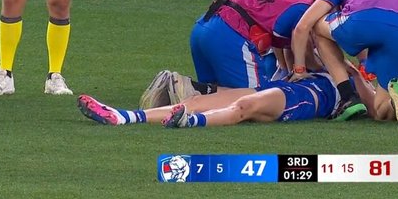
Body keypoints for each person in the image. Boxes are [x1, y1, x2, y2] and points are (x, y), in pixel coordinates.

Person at [138, 0, 316, 109]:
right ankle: (185, 88)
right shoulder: (305, 8)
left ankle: (187, 89)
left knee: (218, 95)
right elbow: (300, 39)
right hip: (231, 34)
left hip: (204, 26)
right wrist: (302, 69)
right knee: (258, 98)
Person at [289, 0, 398, 125]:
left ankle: (347, 96)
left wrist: (299, 70)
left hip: (363, 19)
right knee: (380, 111)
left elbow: (303, 26)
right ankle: (396, 102)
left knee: (316, 24)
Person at [79, 68, 340, 128]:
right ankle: (123, 116)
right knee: (193, 102)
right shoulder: (322, 62)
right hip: (281, 87)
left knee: (244, 107)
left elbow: (378, 107)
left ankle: (191, 123)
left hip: (298, 100)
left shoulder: (351, 81)